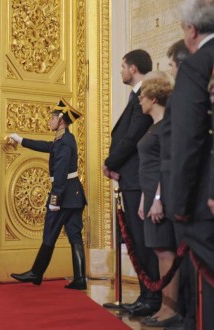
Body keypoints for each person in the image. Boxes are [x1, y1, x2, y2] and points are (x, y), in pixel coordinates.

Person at [103, 49, 161, 316]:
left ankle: (151, 298)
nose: (121, 71)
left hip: (139, 179)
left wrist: (110, 162)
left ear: (134, 68)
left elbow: (131, 138)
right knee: (135, 242)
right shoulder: (136, 96)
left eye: (123, 66)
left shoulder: (143, 96)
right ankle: (143, 295)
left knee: (141, 240)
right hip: (130, 178)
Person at [9, 97, 87, 290]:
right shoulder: (64, 139)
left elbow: (60, 172)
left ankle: (36, 273)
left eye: (52, 118)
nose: (49, 121)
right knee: (74, 235)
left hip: (63, 197)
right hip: (74, 196)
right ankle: (80, 278)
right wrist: (21, 140)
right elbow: (46, 147)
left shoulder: (64, 141)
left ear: (61, 120)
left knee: (49, 234)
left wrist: (55, 199)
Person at [170, 1, 214, 328]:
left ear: (191, 30)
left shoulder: (198, 66)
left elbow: (188, 140)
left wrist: (181, 205)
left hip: (206, 195)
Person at [136, 74, 182, 328]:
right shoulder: (153, 126)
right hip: (151, 194)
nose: (139, 100)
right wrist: (145, 197)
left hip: (161, 197)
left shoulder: (166, 126)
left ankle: (170, 308)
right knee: (158, 251)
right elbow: (148, 166)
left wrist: (157, 199)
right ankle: (164, 305)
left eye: (142, 96)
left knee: (165, 251)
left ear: (153, 99)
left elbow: (167, 166)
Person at [160, 39, 194, 330]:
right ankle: (186, 313)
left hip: (187, 189)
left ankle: (193, 316)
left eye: (171, 65)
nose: (169, 71)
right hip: (178, 187)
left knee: (192, 258)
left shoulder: (187, 93)